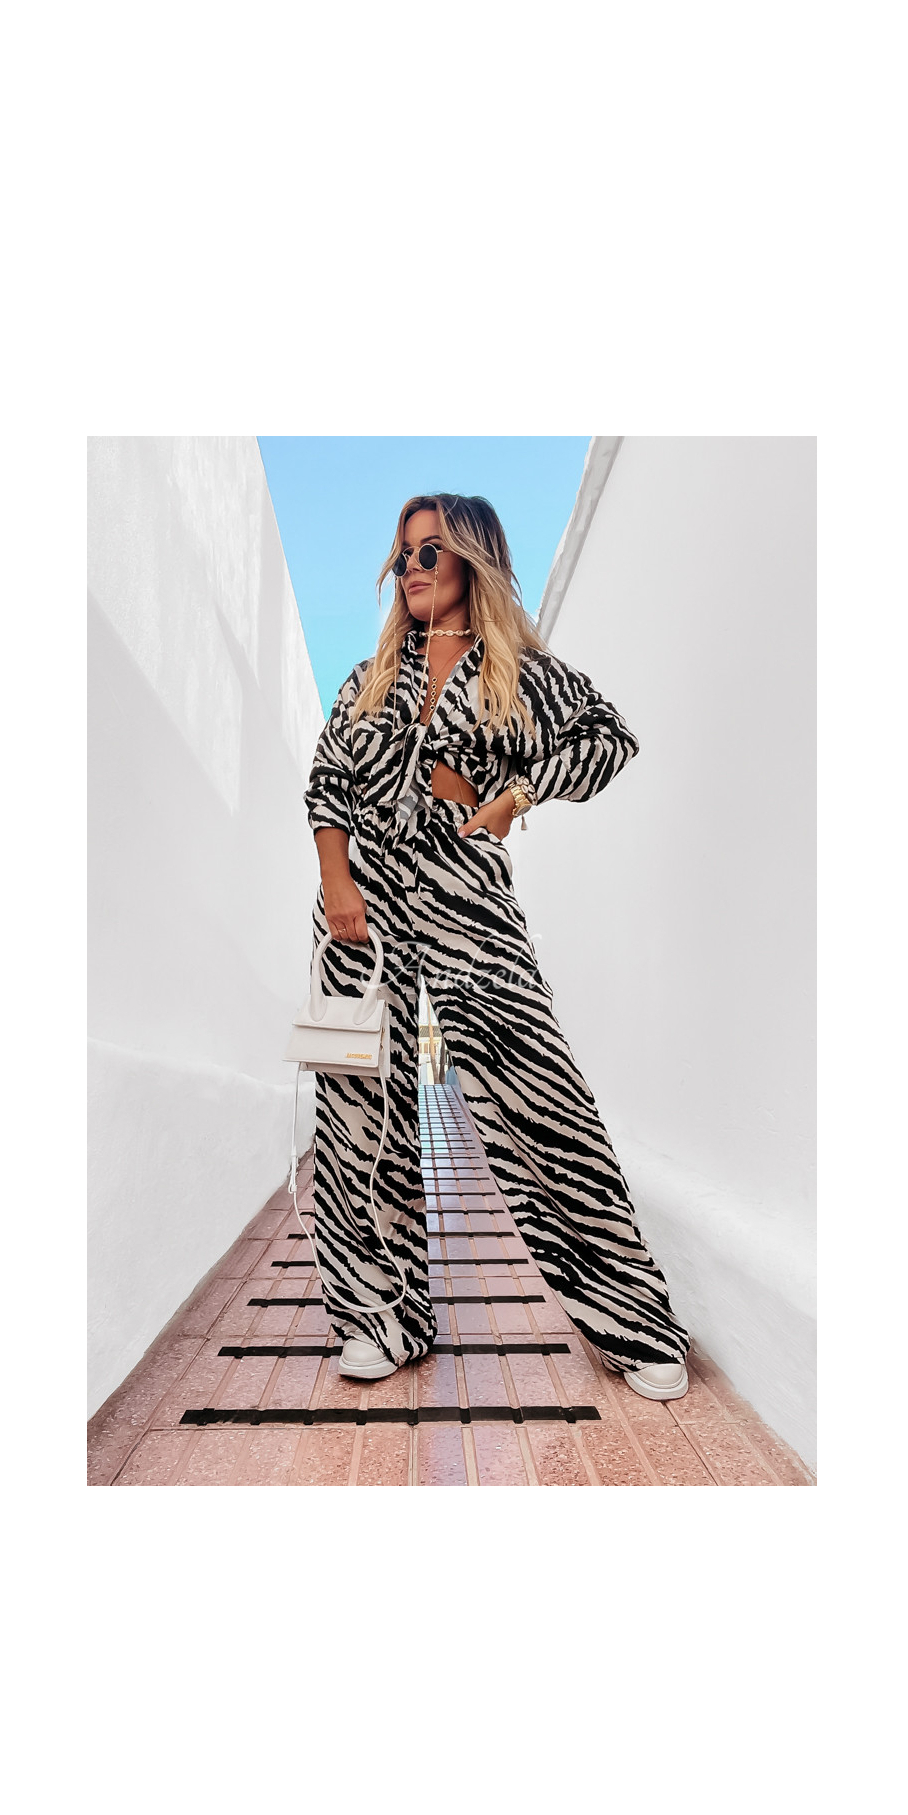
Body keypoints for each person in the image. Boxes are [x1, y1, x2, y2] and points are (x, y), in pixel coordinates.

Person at [303, 492, 692, 1402]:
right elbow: (326, 779)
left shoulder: (524, 674)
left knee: (540, 1094)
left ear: (472, 558)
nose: (412, 569)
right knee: (355, 1107)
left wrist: (517, 796)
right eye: (402, 555)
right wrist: (336, 882)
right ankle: (378, 1318)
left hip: (466, 892)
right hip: (357, 903)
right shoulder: (367, 676)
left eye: (430, 552)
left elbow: (610, 739)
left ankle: (631, 1321)